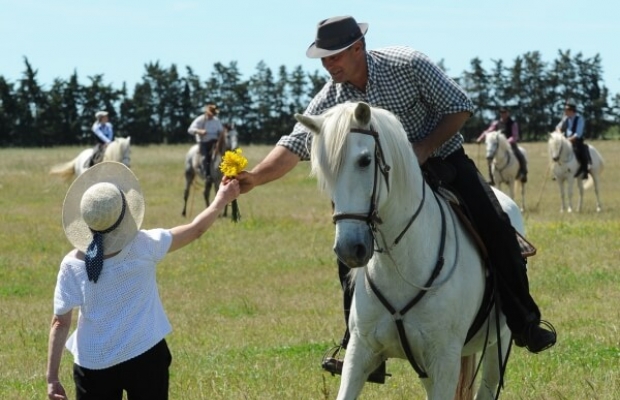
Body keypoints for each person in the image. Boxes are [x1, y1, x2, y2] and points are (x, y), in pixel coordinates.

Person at [232, 15, 556, 381]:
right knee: (349, 250)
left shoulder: (407, 64)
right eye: (323, 59)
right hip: (383, 184)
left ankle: (524, 321)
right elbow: (293, 145)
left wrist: (424, 147)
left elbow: (460, 107)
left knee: (496, 225)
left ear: (358, 47)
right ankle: (358, 338)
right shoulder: (331, 98)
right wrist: (254, 178)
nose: (328, 65)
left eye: (334, 56)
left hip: (442, 160)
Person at [46, 161, 240, 400]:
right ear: (125, 212)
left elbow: (60, 323)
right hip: (146, 353)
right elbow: (195, 229)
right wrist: (221, 198)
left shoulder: (72, 264)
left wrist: (52, 378)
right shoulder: (145, 244)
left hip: (94, 363)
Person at [477, 107, 528, 183]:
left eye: (505, 112)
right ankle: (491, 178)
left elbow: (515, 136)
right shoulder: (496, 123)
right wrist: (480, 138)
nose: (503, 114)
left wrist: (506, 142)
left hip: (511, 145)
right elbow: (488, 131)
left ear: (508, 113)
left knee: (520, 154)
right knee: (490, 158)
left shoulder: (513, 123)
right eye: (501, 112)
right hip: (499, 146)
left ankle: (523, 173)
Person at [555, 102, 590, 178]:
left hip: (576, 141)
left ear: (571, 111)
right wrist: (559, 133)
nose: (565, 112)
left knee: (582, 152)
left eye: (566, 110)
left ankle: (584, 171)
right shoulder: (565, 118)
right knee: (557, 152)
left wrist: (569, 139)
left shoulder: (579, 119)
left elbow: (578, 134)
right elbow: (557, 127)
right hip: (566, 141)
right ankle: (558, 171)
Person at [188, 104, 224, 177]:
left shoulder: (216, 120)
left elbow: (221, 131)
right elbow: (190, 130)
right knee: (205, 157)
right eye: (211, 114)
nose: (212, 115)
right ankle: (207, 174)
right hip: (204, 142)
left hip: (215, 142)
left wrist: (220, 135)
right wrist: (199, 131)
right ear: (207, 113)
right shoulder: (200, 119)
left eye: (213, 114)